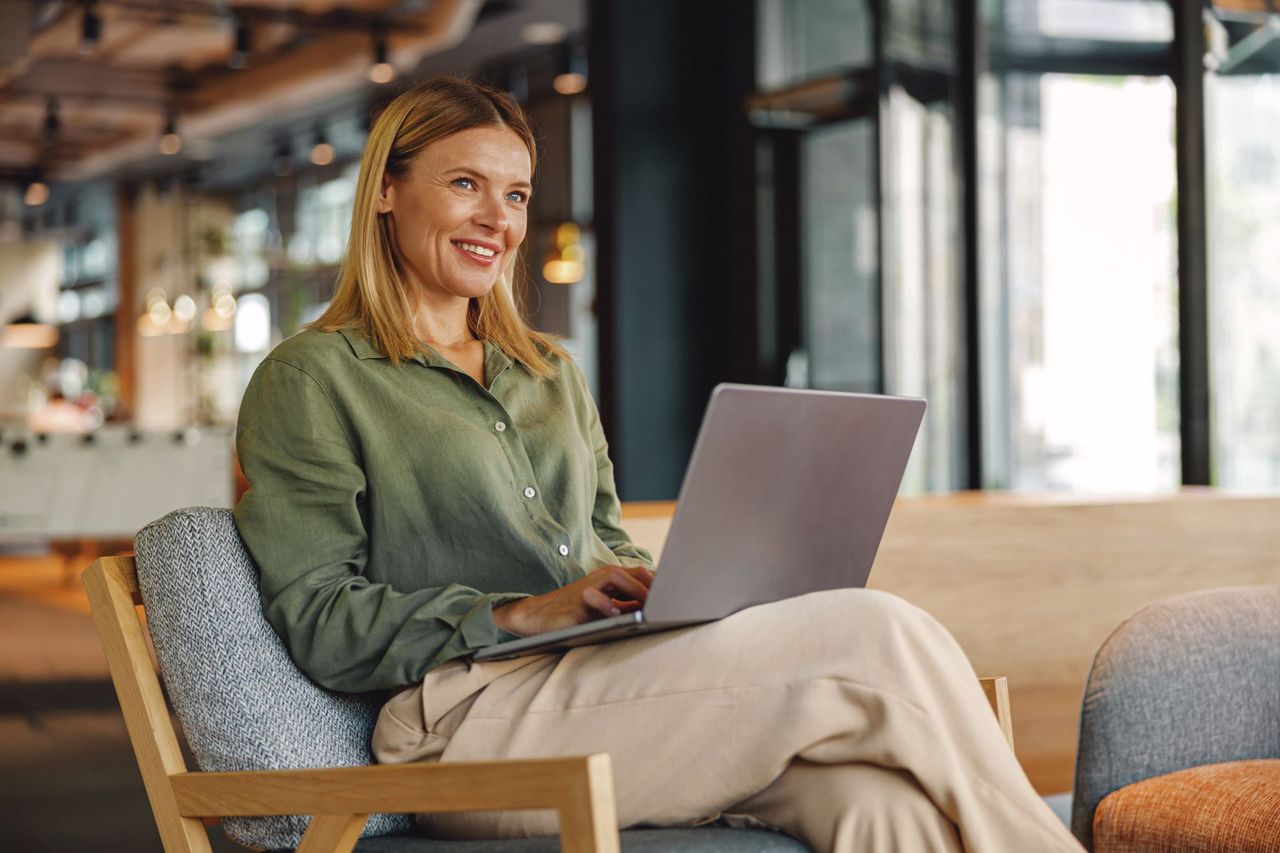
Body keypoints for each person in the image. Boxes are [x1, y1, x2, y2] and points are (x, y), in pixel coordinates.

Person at [233, 76, 1083, 852]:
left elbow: (604, 541)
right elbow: (318, 618)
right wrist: (520, 613)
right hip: (467, 726)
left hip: (607, 684)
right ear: (386, 189)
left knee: (878, 806)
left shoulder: (547, 372)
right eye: (466, 184)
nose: (499, 218)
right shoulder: (313, 379)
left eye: (517, 194)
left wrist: (664, 597)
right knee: (875, 631)